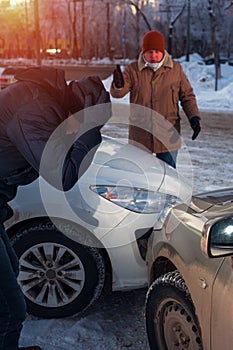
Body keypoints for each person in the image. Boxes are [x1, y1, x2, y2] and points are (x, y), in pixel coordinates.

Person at [0, 66, 111, 350]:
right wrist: (90, 128)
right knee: (11, 307)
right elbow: (62, 174)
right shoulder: (33, 107)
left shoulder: (43, 100)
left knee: (10, 271)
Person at [110, 30, 201, 168]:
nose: (153, 55)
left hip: (168, 134)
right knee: (139, 177)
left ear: (163, 51)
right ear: (143, 52)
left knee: (167, 178)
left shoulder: (175, 70)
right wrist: (118, 85)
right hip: (140, 134)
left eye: (157, 52)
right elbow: (118, 93)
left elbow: (187, 96)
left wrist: (194, 117)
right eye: (150, 52)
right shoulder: (133, 70)